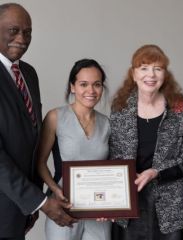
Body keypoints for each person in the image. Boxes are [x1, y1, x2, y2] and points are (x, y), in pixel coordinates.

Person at [0, 3, 77, 239]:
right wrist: (39, 202)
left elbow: (32, 138)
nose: (22, 38)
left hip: (19, 210)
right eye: (13, 30)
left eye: (28, 32)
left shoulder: (29, 73)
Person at [109, 44, 183, 240]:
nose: (151, 75)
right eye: (144, 68)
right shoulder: (120, 107)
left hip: (171, 207)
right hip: (128, 201)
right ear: (133, 74)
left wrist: (157, 173)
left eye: (158, 68)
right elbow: (113, 155)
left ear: (165, 74)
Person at [37, 59, 112, 240]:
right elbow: (39, 163)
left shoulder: (107, 124)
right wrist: (55, 189)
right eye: (83, 84)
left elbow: (112, 170)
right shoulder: (55, 117)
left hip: (98, 211)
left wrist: (113, 204)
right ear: (72, 87)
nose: (91, 91)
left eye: (97, 84)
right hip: (64, 206)